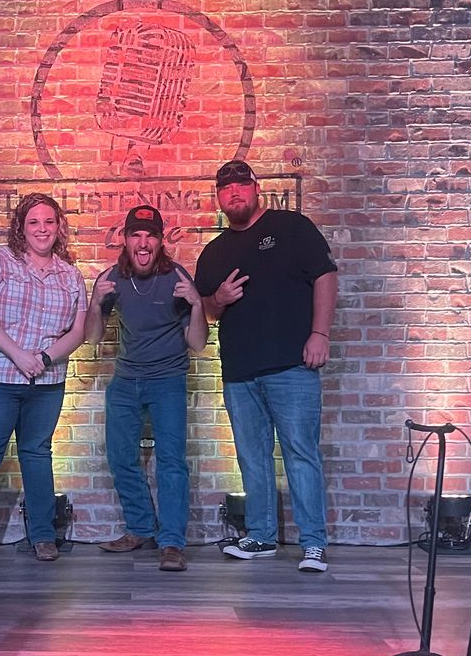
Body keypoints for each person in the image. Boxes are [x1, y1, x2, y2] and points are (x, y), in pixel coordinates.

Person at [194, 159, 338, 571]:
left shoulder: (292, 228)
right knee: (251, 457)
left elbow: (326, 277)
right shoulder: (215, 252)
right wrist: (217, 299)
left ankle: (313, 543)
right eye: (226, 189)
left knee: (300, 453)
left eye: (241, 185)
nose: (234, 193)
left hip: (292, 365)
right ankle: (260, 536)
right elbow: (206, 311)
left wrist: (320, 333)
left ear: (256, 188)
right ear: (219, 198)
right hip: (239, 371)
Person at [85, 205, 208, 573]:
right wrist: (95, 303)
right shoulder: (112, 278)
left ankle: (171, 543)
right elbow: (92, 338)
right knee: (120, 457)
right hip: (126, 379)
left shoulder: (177, 277)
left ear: (160, 241)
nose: (143, 243)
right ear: (125, 240)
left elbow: (198, 343)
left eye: (150, 235)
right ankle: (140, 528)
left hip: (168, 380)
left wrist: (197, 304)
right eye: (136, 235)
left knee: (171, 462)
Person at [0, 193, 87, 562]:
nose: (42, 229)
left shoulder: (70, 275)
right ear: (21, 227)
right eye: (33, 222)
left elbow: (78, 331)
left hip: (46, 383)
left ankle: (43, 535)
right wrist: (19, 355)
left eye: (49, 221)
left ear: (59, 227)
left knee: (37, 454)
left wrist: (46, 358)